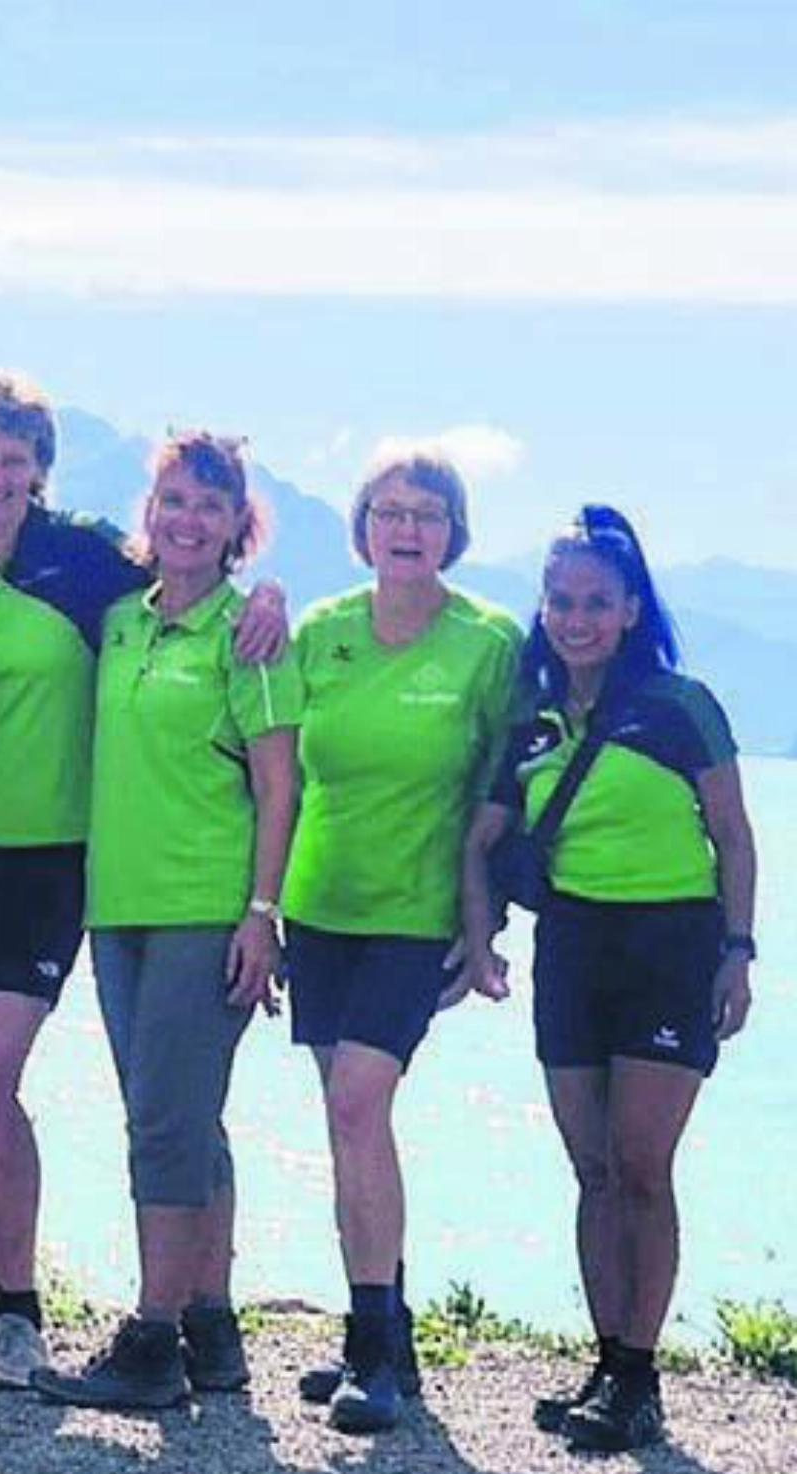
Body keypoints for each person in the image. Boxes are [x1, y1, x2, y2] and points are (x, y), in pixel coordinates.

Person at [458, 506, 755, 1453]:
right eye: (560, 601)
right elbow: (483, 839)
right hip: (575, 949)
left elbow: (735, 838)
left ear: (631, 609)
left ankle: (638, 1374)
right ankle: (607, 1360)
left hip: (671, 947)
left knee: (640, 1165)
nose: (576, 618)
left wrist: (739, 951)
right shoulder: (533, 718)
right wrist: (478, 941)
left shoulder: (679, 705)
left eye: (596, 602)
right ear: (542, 610)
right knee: (590, 1168)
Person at [31, 432, 301, 1410]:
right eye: (173, 499)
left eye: (210, 504)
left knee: (163, 1122)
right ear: (151, 511)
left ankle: (149, 1342)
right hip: (121, 909)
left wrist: (262, 914)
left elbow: (281, 786)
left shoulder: (252, 633)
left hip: (206, 908)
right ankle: (210, 1328)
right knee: (186, 1119)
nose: (187, 519)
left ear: (238, 526)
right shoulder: (121, 622)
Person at [282, 447, 521, 1432]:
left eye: (428, 513)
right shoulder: (320, 630)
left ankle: (372, 1351)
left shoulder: (489, 641)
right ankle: (380, 1330)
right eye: (391, 510)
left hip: (415, 915)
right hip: (317, 906)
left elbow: (507, 788)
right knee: (350, 1124)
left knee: (355, 1102)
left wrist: (486, 917)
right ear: (364, 523)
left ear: (453, 531)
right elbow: (279, 774)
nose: (408, 528)